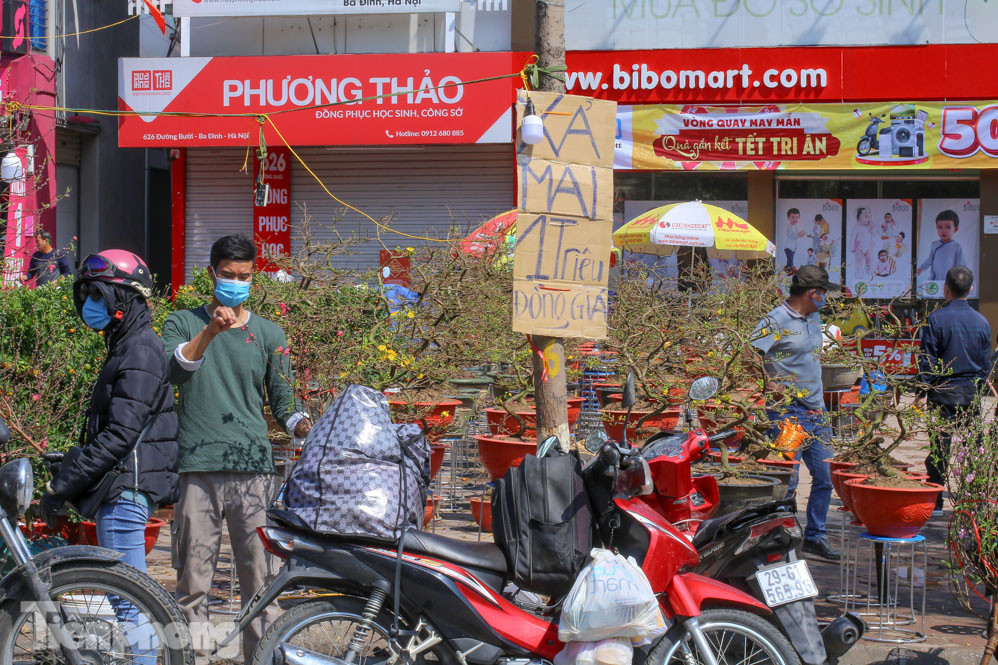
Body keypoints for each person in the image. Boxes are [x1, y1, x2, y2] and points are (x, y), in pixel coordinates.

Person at [162, 234, 312, 665]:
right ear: (212, 273)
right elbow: (174, 370)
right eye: (227, 275)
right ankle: (193, 659)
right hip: (197, 467)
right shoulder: (183, 323)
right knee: (193, 581)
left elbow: (284, 401)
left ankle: (260, 659)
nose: (235, 283)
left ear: (254, 277)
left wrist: (301, 423)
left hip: (253, 471)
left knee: (261, 582)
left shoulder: (268, 333)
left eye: (244, 277)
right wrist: (210, 331)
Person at [39, 249, 179, 665]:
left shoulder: (140, 350)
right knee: (132, 600)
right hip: (123, 489)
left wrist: (62, 486)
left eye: (99, 296)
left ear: (126, 301)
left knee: (130, 602)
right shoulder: (129, 346)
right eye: (87, 297)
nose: (90, 307)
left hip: (124, 493)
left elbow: (121, 435)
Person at [753, 265, 842, 561]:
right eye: (824, 292)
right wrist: (771, 383)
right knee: (787, 481)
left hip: (817, 411)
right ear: (813, 293)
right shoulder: (775, 319)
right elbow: (750, 355)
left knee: (825, 476)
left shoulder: (813, 316)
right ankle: (782, 537)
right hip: (787, 413)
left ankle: (815, 536)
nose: (826, 298)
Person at [917, 266, 991, 512]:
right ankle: (973, 500)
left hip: (942, 392)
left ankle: (936, 500)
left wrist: (922, 389)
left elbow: (927, 359)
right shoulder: (982, 322)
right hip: (970, 392)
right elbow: (984, 364)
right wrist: (977, 387)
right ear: (971, 289)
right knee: (973, 448)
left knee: (939, 447)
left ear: (945, 288)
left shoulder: (936, 319)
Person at [918, 210, 966, 282]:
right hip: (934, 280)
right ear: (936, 227)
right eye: (940, 227)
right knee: (930, 291)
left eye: (948, 227)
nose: (943, 231)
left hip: (950, 280)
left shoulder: (957, 246)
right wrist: (921, 268)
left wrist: (960, 277)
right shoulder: (934, 244)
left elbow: (961, 264)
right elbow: (930, 259)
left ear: (955, 229)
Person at [851, 207, 874, 280]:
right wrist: (852, 247)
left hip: (868, 245)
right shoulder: (857, 227)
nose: (868, 219)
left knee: (869, 258)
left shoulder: (868, 227)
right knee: (859, 260)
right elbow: (853, 237)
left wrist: (871, 228)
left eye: (869, 217)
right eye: (866, 217)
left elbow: (872, 235)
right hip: (859, 246)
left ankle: (868, 269)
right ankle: (859, 272)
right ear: (859, 218)